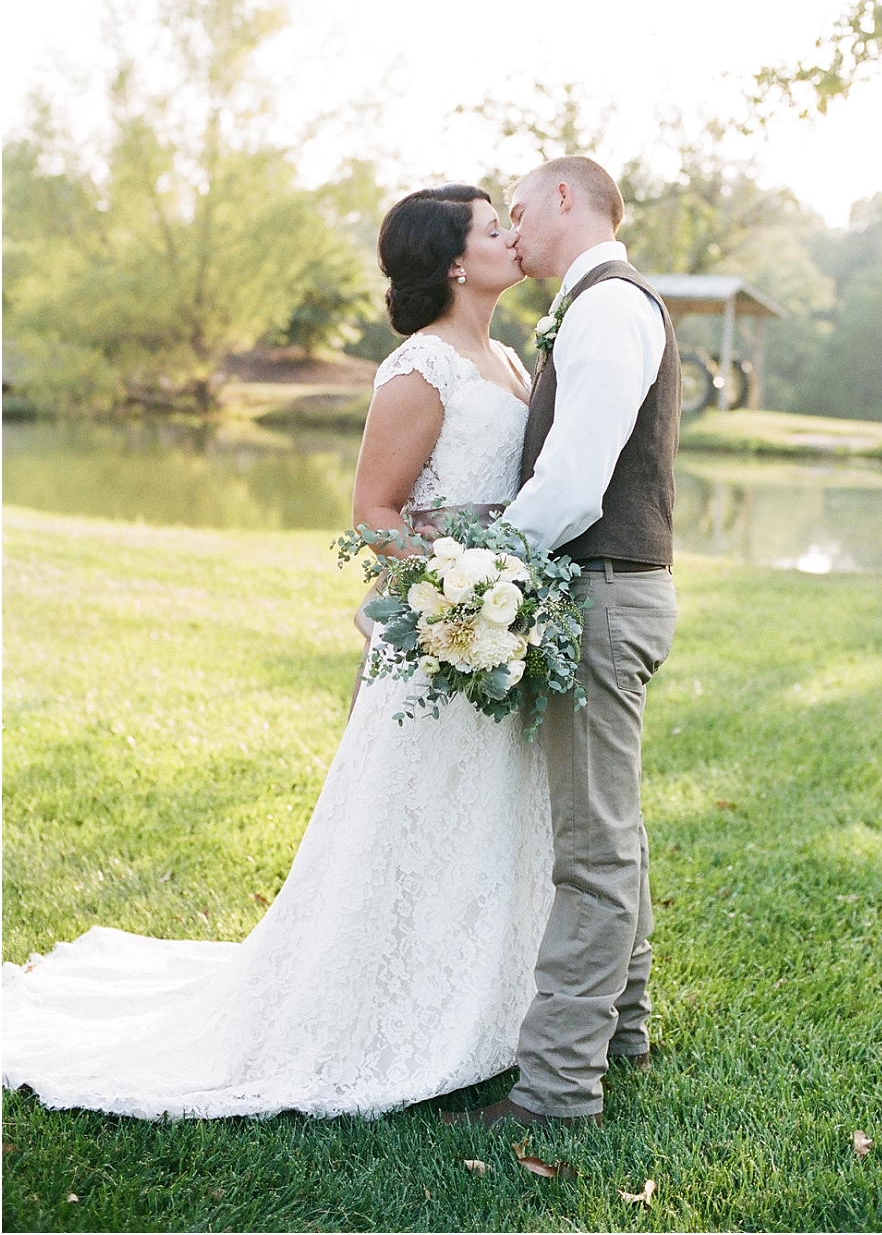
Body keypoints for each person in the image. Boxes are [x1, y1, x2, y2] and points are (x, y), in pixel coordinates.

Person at [2, 185, 555, 1120]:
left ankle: (483, 1004)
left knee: (490, 817)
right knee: (409, 822)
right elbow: (374, 517)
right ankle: (376, 1010)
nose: (514, 234)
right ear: (456, 262)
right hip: (445, 630)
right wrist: (456, 590)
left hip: (502, 628)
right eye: (493, 225)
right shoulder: (422, 368)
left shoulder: (505, 357)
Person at [443, 156, 680, 1129]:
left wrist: (474, 571)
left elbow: (577, 483)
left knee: (589, 852)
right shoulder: (591, 306)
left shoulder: (606, 309)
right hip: (606, 589)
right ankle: (622, 1030)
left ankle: (553, 1091)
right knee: (607, 831)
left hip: (601, 594)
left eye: (520, 209)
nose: (513, 228)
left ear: (566, 201)